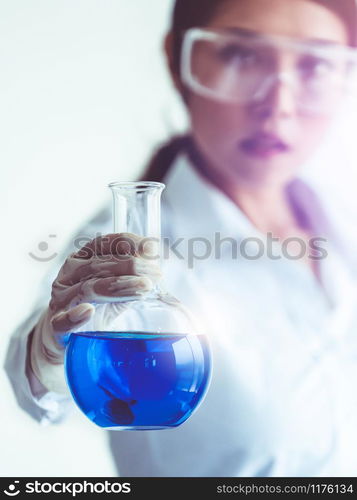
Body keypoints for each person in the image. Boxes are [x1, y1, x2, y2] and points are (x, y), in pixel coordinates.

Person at [5, 0, 357, 476]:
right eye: (240, 56)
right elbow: (42, 387)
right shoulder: (118, 254)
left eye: (315, 64)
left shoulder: (340, 219)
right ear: (179, 62)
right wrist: (47, 356)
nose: (280, 104)